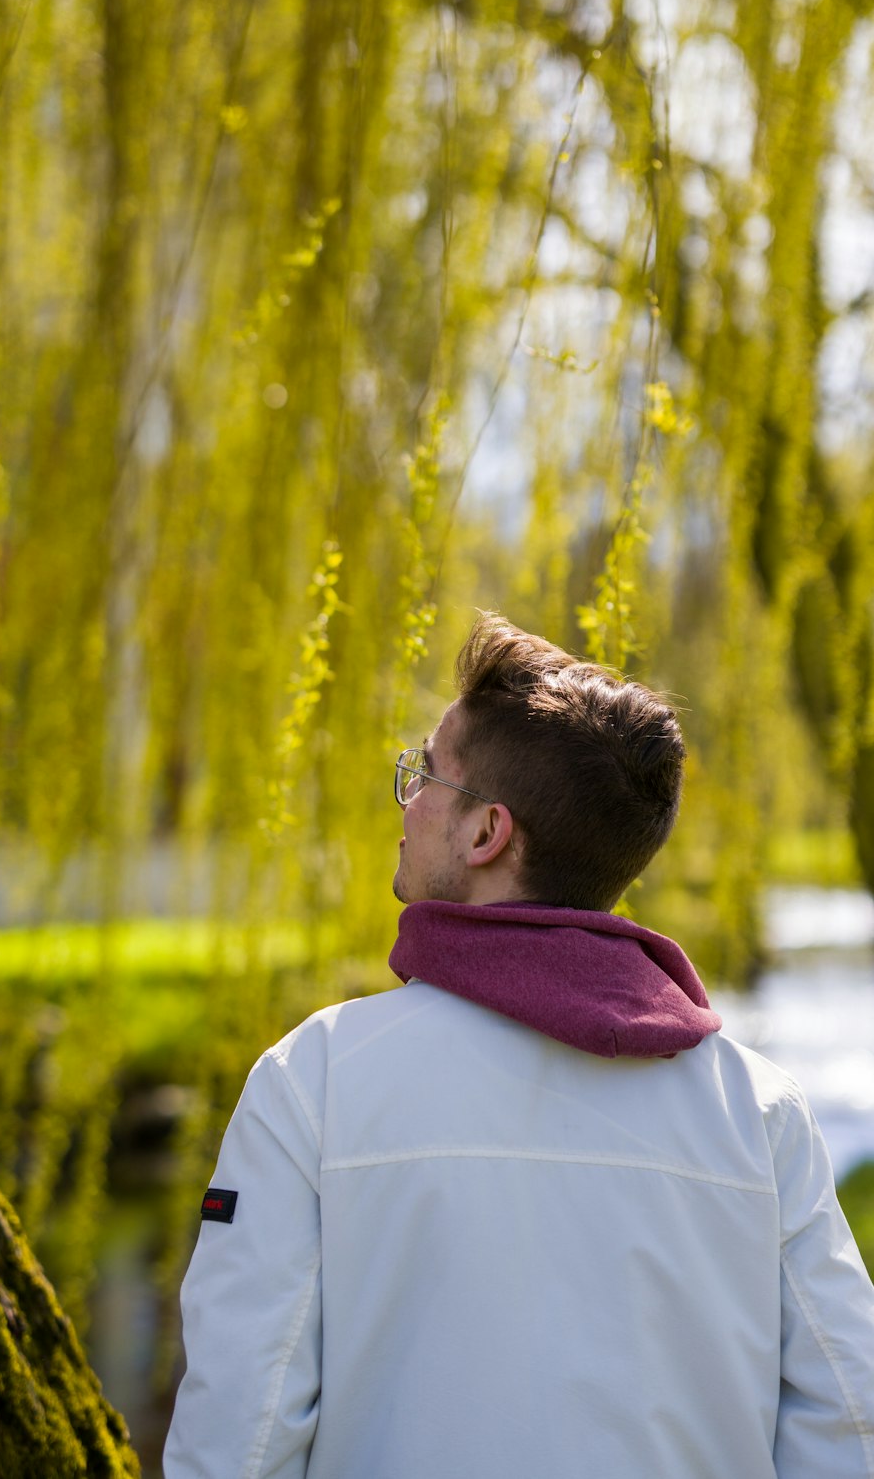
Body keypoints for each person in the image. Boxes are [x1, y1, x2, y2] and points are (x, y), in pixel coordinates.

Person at [164, 614, 874, 1479]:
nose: (407, 799)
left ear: (485, 833)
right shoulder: (760, 1114)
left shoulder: (314, 1082)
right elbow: (849, 1423)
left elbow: (240, 1438)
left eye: (425, 772)